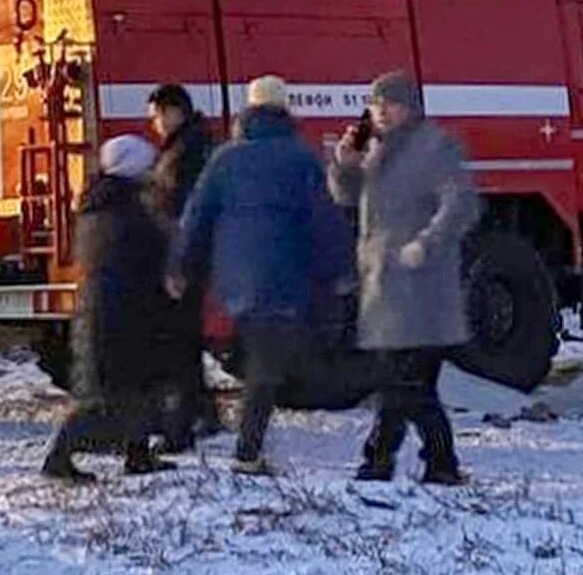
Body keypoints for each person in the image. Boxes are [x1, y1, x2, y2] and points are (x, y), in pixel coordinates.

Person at [175, 77, 351, 476]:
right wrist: (341, 270)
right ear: (285, 109)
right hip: (284, 276)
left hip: (234, 278)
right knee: (266, 369)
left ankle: (242, 440)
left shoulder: (225, 159)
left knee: (260, 355)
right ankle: (247, 452)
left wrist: (180, 266)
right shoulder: (300, 158)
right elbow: (325, 221)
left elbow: (195, 217)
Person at [330, 72, 478, 486]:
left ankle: (382, 462)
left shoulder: (434, 147)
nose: (380, 112)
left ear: (410, 107)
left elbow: (460, 202)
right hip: (384, 283)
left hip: (421, 287)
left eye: (389, 104)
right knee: (408, 384)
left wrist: (425, 244)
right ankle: (437, 465)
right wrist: (345, 165)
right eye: (375, 105)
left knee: (402, 382)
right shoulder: (377, 150)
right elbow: (346, 198)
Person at [42, 136, 180, 485]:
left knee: (135, 386)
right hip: (116, 308)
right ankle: (59, 457)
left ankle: (137, 454)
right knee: (106, 391)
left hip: (116, 305)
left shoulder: (102, 200)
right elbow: (143, 247)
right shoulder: (120, 206)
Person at [146, 83, 220, 449]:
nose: (155, 124)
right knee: (183, 340)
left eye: (157, 115)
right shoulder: (186, 145)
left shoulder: (188, 151)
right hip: (185, 255)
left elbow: (186, 212)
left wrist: (177, 263)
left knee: (179, 342)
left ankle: (182, 425)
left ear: (173, 111)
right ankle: (202, 412)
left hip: (183, 257)